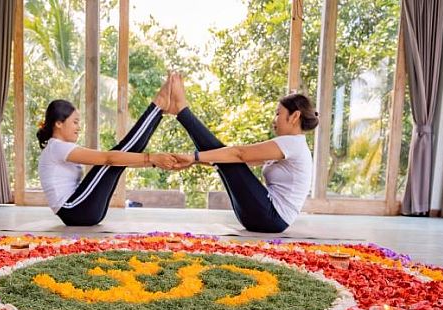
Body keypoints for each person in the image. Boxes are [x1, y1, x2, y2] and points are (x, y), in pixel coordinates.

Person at [168, 73, 318, 233]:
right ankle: (181, 111)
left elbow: (239, 154)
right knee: (226, 159)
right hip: (265, 218)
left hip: (271, 216)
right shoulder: (290, 145)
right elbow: (239, 161)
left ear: (294, 116)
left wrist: (194, 156)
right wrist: (193, 161)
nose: (274, 120)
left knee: (231, 157)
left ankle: (182, 110)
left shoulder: (292, 143)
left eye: (278, 113)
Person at [36, 75, 177, 226]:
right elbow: (108, 159)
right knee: (112, 158)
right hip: (75, 210)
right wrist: (151, 158)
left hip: (80, 211)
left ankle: (158, 110)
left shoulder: (57, 147)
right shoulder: (57, 147)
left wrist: (152, 162)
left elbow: (117, 160)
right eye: (75, 122)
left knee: (118, 158)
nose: (78, 127)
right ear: (58, 123)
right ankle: (157, 107)